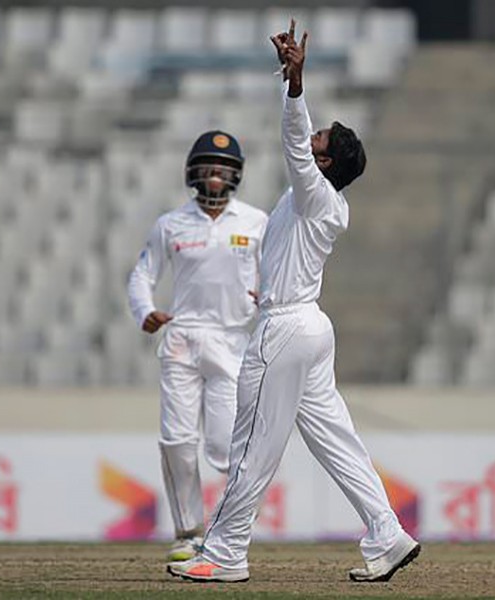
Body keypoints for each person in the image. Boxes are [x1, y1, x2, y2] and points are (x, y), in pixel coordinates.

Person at [168, 21, 420, 583]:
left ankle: (227, 553)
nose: (311, 142)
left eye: (320, 142)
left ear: (326, 165)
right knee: (336, 438)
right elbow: (287, 225)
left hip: (285, 330)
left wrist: (295, 83)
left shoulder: (315, 193)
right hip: (306, 324)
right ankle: (387, 532)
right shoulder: (320, 202)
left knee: (252, 442)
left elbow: (292, 139)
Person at [128, 130, 268, 562]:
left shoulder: (256, 222)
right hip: (182, 339)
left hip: (231, 341)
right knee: (177, 440)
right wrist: (145, 311)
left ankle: (228, 530)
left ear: (236, 176)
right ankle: (188, 531)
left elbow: (276, 273)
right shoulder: (171, 224)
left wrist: (267, 298)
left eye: (223, 171)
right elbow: (141, 276)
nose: (215, 178)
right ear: (193, 174)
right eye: (208, 169)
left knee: (226, 446)